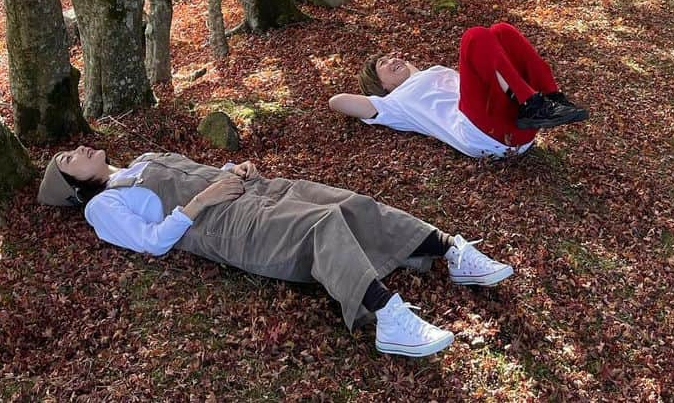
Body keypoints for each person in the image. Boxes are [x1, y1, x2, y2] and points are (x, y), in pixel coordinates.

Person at [38, 144, 513, 358]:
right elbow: (151, 242)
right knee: (319, 225)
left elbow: (198, 170)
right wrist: (202, 201)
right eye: (68, 160)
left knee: (350, 204)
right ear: (74, 185)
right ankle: (387, 316)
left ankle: (450, 252)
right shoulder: (102, 208)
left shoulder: (138, 162)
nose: (78, 150)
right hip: (222, 224)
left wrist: (232, 168)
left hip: (251, 188)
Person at [329, 21, 588, 159]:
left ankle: (552, 98)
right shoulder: (394, 103)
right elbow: (337, 102)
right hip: (480, 135)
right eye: (382, 65)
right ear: (381, 86)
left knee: (502, 31)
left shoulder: (435, 73)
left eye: (389, 56)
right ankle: (534, 103)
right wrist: (373, 99)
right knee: (474, 37)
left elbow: (493, 78)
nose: (391, 60)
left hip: (517, 129)